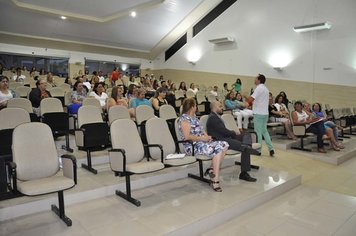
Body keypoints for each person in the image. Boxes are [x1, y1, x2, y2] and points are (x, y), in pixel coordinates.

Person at [178, 98, 228, 192]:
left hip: (201, 143)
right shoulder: (184, 119)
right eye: (195, 106)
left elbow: (201, 130)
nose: (196, 107)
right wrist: (202, 138)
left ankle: (211, 169)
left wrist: (207, 137)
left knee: (225, 144)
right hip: (192, 146)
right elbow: (187, 137)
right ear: (192, 107)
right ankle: (215, 180)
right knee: (218, 149)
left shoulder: (194, 117)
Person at [207, 101, 260, 182]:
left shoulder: (216, 116)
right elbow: (223, 131)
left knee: (246, 135)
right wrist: (234, 133)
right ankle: (244, 173)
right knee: (243, 146)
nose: (222, 108)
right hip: (221, 140)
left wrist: (234, 133)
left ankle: (247, 147)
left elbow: (224, 131)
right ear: (214, 107)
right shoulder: (212, 118)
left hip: (226, 137)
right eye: (220, 106)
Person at [245, 74, 275, 156]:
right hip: (265, 113)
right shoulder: (266, 89)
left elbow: (250, 100)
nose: (254, 80)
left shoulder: (258, 88)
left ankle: (258, 150)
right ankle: (271, 148)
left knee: (258, 132)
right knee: (264, 131)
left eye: (255, 78)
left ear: (259, 80)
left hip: (259, 113)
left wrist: (244, 95)